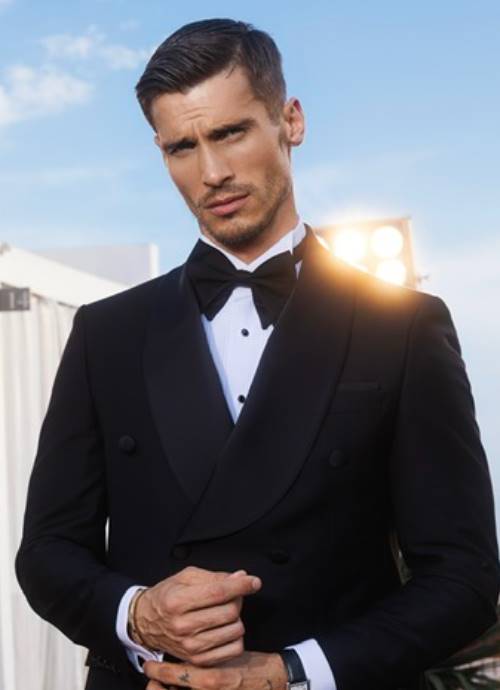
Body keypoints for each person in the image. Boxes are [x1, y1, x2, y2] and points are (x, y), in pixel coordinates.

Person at [15, 17, 500, 690]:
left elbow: (463, 577)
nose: (212, 173)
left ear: (290, 121)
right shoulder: (107, 333)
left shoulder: (405, 327)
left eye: (230, 133)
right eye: (182, 147)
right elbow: (46, 552)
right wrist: (138, 615)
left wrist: (291, 672)